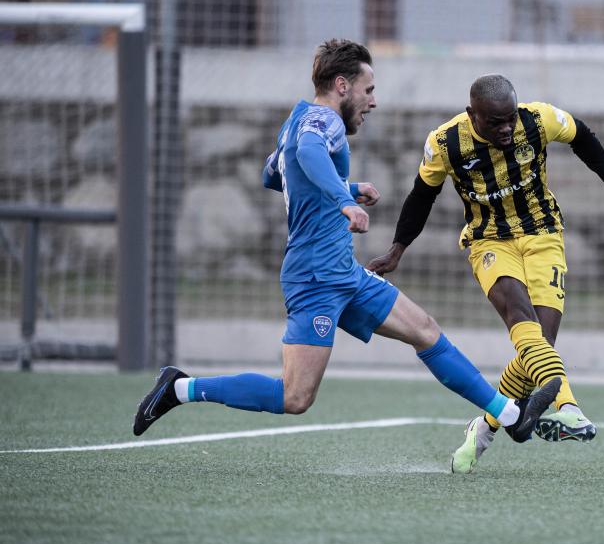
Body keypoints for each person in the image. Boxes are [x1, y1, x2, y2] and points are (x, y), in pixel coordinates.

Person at [134, 42, 560, 443]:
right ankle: (180, 388)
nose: (372, 101)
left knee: (425, 331)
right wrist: (343, 199)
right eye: (368, 90)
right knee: (295, 397)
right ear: (342, 86)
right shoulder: (324, 123)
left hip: (343, 273)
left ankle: (511, 416)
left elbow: (273, 173)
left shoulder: (297, 118)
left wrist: (349, 186)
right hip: (315, 277)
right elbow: (308, 154)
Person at [367, 74, 604, 474]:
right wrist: (397, 249)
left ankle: (483, 428)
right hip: (489, 242)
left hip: (543, 234)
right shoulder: (444, 144)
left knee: (538, 345)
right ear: (472, 115)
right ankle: (568, 407)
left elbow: (581, 135)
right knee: (520, 316)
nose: (505, 129)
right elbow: (422, 195)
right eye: (495, 122)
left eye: (509, 119)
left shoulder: (539, 119)